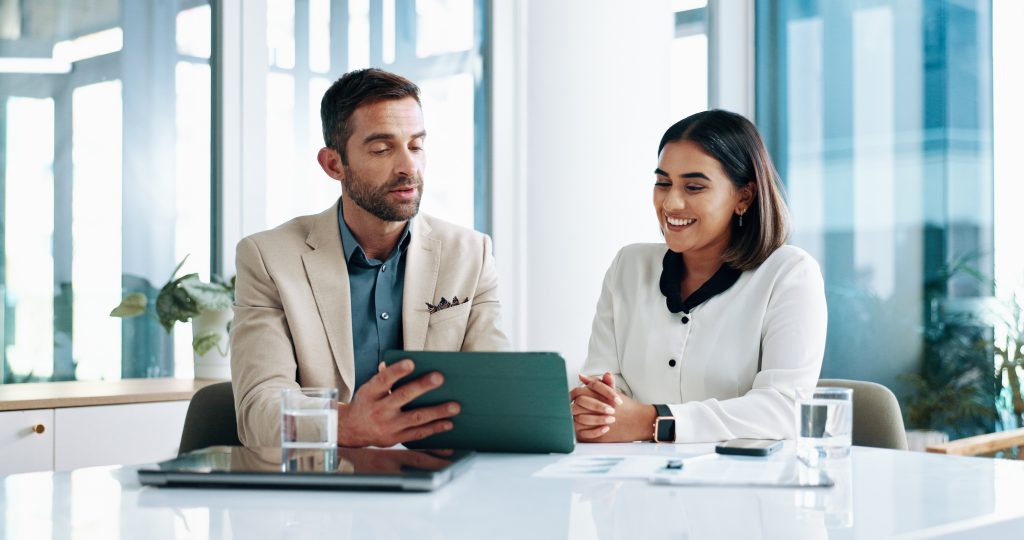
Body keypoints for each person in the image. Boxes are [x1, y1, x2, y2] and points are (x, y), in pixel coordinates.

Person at [231, 68, 510, 448]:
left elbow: (495, 394)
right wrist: (346, 425)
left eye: (415, 146)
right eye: (382, 149)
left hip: (438, 486)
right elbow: (258, 411)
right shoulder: (268, 258)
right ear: (334, 164)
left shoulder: (470, 254)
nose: (408, 167)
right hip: (324, 491)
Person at [570, 109, 827, 443]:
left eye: (693, 187)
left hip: (745, 486)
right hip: (634, 481)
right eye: (663, 183)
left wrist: (655, 420)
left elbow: (784, 409)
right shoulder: (628, 266)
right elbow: (603, 389)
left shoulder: (789, 274)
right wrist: (594, 412)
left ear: (743, 197)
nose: (671, 203)